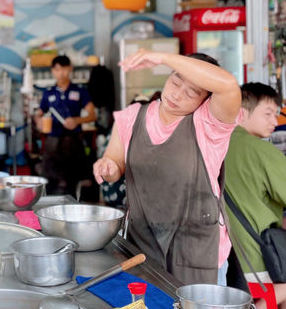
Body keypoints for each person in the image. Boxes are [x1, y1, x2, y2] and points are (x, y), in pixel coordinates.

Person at [93, 51, 241, 286]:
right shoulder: (133, 117)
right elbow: (115, 164)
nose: (178, 94)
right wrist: (107, 166)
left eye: (192, 92)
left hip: (196, 249)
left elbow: (229, 85)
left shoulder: (210, 125)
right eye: (175, 81)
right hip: (142, 242)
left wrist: (162, 56)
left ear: (205, 101)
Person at [224, 83, 286, 309]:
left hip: (229, 258)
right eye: (267, 113)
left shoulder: (221, 143)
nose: (274, 120)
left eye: (276, 113)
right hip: (257, 258)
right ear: (242, 113)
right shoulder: (259, 149)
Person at [36, 55, 97, 197]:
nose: (60, 73)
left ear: (70, 69)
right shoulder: (48, 93)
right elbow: (38, 114)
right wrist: (38, 120)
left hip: (73, 143)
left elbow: (93, 115)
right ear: (53, 71)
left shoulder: (80, 91)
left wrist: (77, 120)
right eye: (57, 69)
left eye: (64, 69)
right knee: (50, 183)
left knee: (71, 184)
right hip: (52, 143)